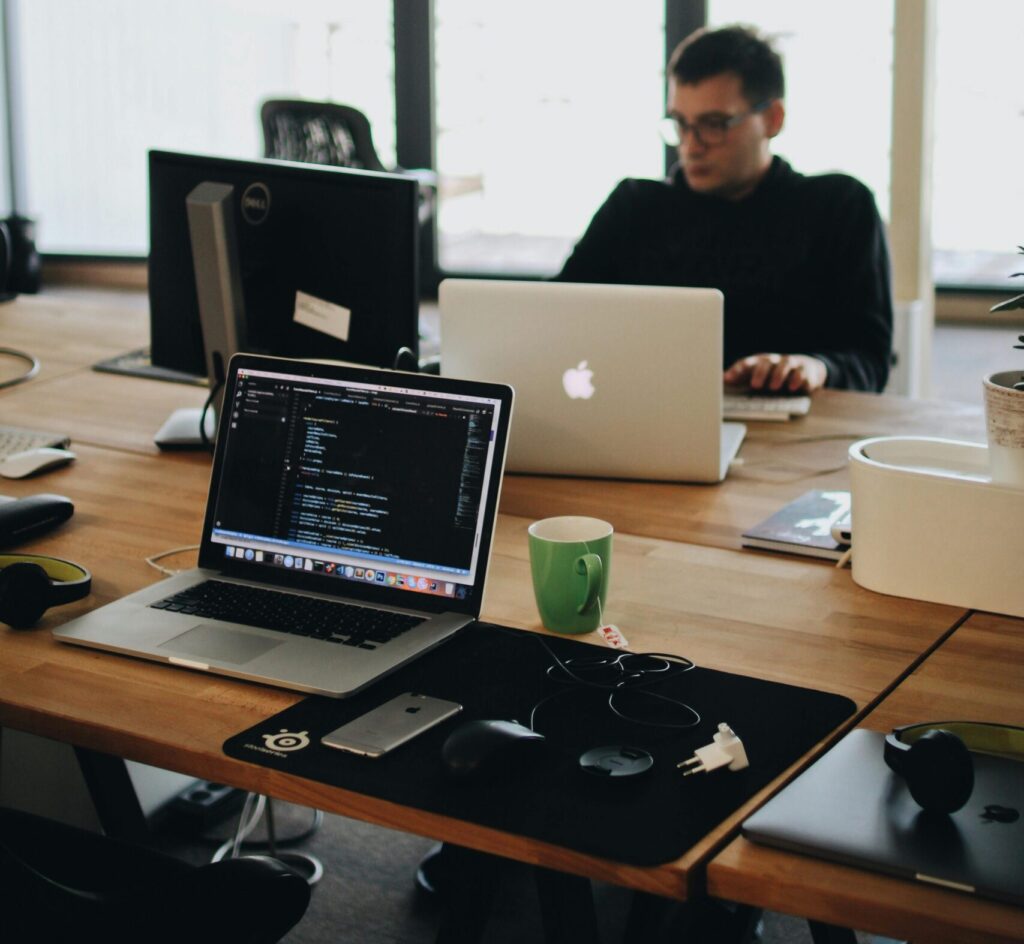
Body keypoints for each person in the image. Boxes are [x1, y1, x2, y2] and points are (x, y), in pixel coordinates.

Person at [556, 25, 893, 393]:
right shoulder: (634, 207)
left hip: (795, 434)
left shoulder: (839, 207)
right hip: (648, 421)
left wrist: (815, 367)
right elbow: (555, 317)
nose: (691, 146)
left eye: (714, 125)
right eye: (681, 124)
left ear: (773, 119)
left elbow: (869, 361)